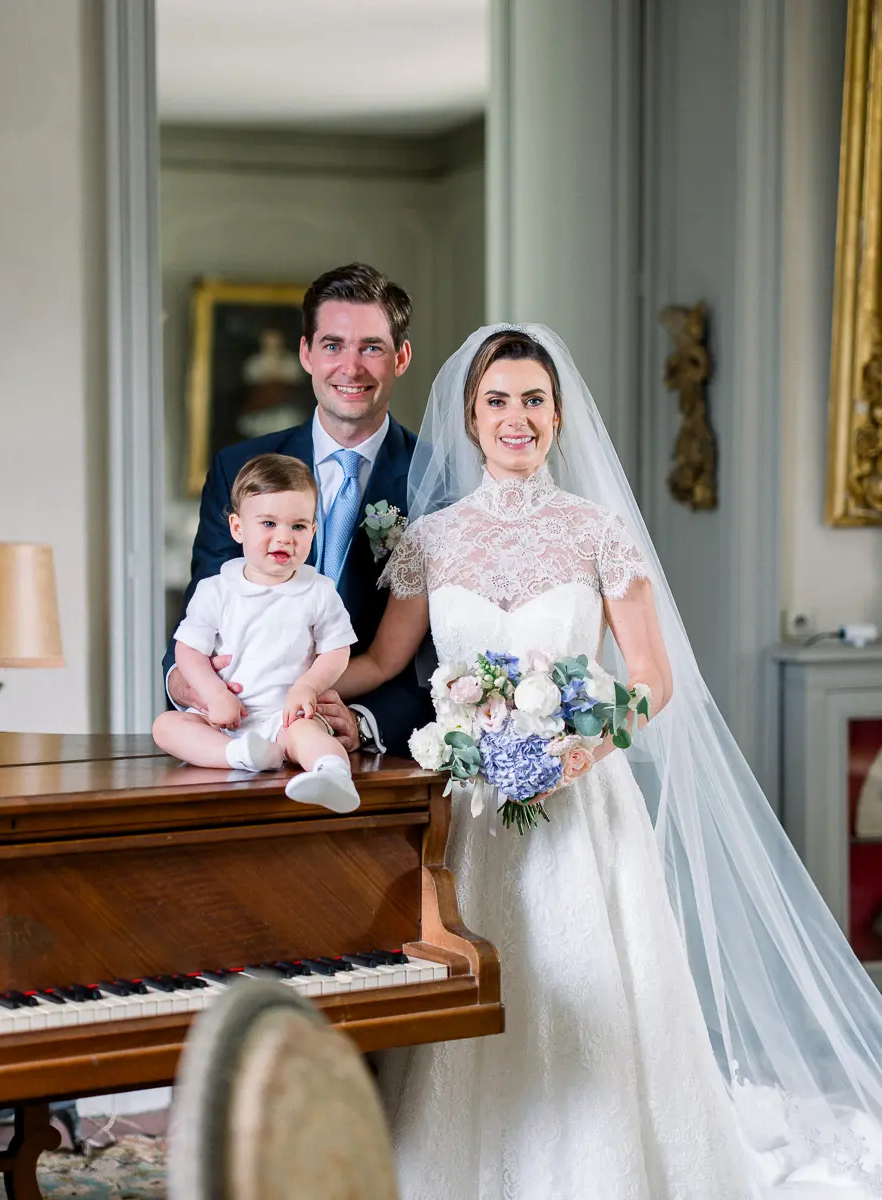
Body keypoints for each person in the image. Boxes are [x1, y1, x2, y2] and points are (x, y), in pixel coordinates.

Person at [336, 325, 882, 1197]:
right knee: (484, 981)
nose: (517, 418)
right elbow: (382, 661)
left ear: (558, 415)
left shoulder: (598, 532)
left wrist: (585, 748)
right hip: (474, 815)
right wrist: (303, 690)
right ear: (472, 419)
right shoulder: (431, 539)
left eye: (534, 400)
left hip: (582, 807)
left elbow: (654, 678)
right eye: (497, 401)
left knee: (588, 981)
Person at [164, 263, 433, 757]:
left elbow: (443, 646)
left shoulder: (438, 481)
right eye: (333, 345)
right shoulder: (236, 467)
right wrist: (187, 683)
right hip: (239, 731)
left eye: (371, 348)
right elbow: (204, 604)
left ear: (401, 357)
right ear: (306, 353)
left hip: (381, 753)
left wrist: (365, 723)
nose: (350, 367)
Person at [153, 454, 360, 813]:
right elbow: (188, 651)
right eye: (268, 523)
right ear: (237, 528)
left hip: (286, 716)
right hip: (226, 719)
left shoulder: (319, 591)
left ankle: (333, 775)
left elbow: (336, 650)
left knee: (308, 734)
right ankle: (240, 754)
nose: (284, 537)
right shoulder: (216, 589)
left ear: (313, 531)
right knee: (166, 726)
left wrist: (307, 687)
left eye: (298, 526)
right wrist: (214, 693)